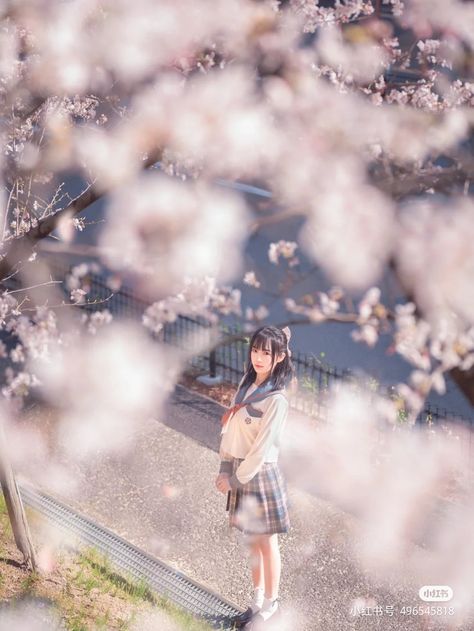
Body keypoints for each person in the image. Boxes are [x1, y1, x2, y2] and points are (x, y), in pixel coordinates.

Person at [215, 325, 294, 629]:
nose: (259, 357)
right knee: (252, 541)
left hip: (259, 475)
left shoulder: (277, 400)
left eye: (267, 352)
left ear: (280, 357)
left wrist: (233, 479)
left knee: (266, 541)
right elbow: (232, 429)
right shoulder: (247, 384)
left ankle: (271, 607)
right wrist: (224, 467)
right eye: (255, 350)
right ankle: (257, 603)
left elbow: (260, 451)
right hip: (240, 470)